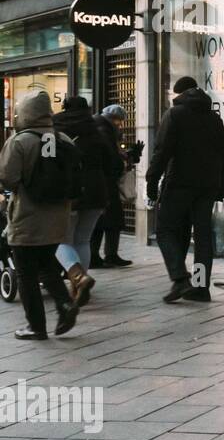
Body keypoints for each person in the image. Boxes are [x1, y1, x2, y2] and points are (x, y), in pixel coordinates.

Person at [0, 90, 78, 339]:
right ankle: (65, 303)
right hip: (58, 216)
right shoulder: (64, 138)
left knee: (25, 272)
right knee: (47, 265)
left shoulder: (20, 141)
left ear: (24, 112)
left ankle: (36, 326)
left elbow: (7, 178)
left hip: (27, 215)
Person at [146, 76, 224, 303]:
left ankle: (180, 278)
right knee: (202, 238)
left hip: (180, 184)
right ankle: (201, 287)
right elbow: (223, 156)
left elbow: (161, 152)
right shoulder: (214, 118)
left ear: (179, 94)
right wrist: (220, 186)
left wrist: (151, 182)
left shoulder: (174, 115)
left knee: (164, 230)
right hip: (207, 187)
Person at [53, 96, 116, 308]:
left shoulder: (54, 128)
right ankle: (79, 286)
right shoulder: (96, 128)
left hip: (67, 191)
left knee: (61, 239)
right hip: (96, 191)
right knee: (83, 240)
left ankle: (78, 277)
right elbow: (112, 163)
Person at [89, 104, 138, 268]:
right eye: (119, 121)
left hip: (98, 181)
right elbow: (111, 158)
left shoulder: (97, 126)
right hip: (106, 182)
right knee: (110, 220)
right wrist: (124, 162)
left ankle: (97, 256)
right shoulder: (105, 131)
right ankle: (107, 255)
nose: (120, 125)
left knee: (100, 221)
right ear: (114, 119)